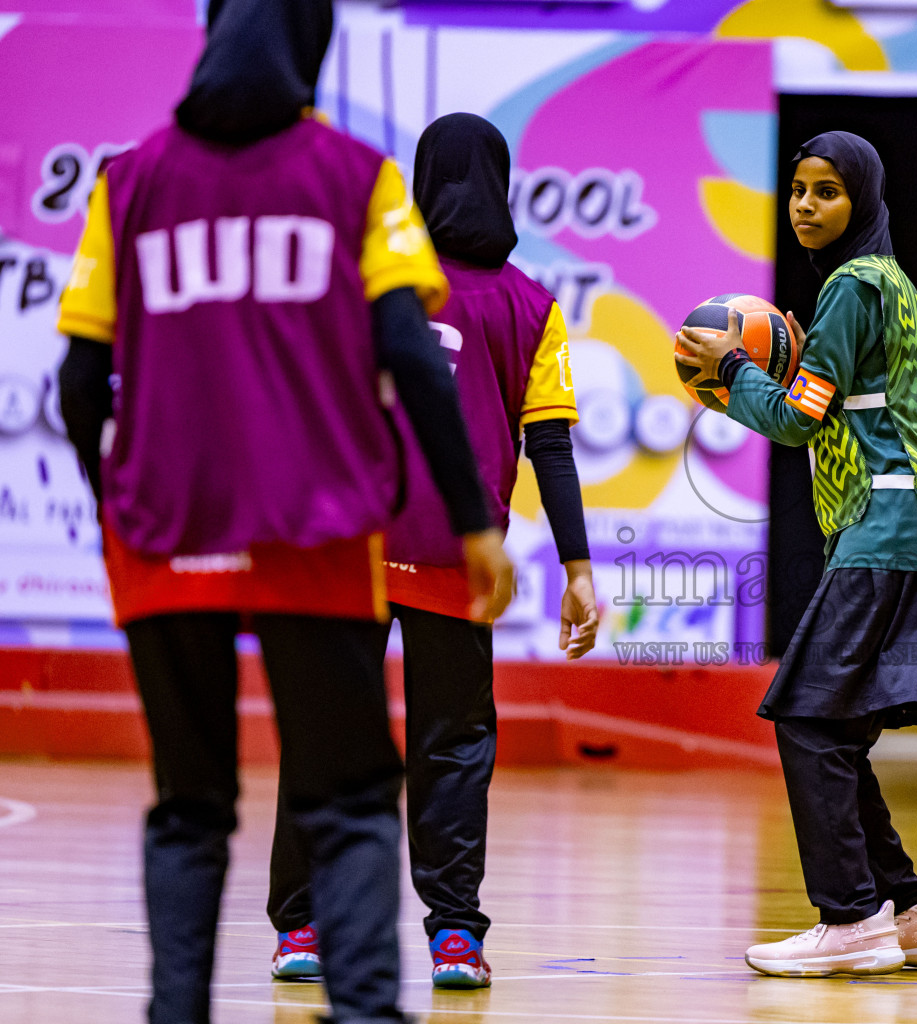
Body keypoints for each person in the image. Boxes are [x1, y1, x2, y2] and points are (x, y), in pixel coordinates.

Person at [54, 2, 514, 1021]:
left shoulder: (128, 182)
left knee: (189, 806)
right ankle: (366, 1010)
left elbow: (81, 384)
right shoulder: (357, 180)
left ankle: (177, 1008)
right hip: (315, 533)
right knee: (347, 798)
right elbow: (410, 359)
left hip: (169, 535)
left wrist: (112, 507)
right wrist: (477, 528)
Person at [266, 112, 599, 989]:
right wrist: (579, 570)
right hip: (459, 551)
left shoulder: (371, 281)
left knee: (328, 732)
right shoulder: (533, 305)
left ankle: (300, 928)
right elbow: (553, 448)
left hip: (350, 546)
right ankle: (455, 936)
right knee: (452, 747)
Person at [676, 131, 917, 978]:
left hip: (886, 532)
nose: (806, 205)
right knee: (833, 725)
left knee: (806, 718)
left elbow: (800, 417)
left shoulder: (850, 285)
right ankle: (909, 911)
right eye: (799, 189)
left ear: (862, 202)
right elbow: (840, 406)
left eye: (827, 191)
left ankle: (849, 920)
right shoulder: (892, 285)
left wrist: (732, 370)